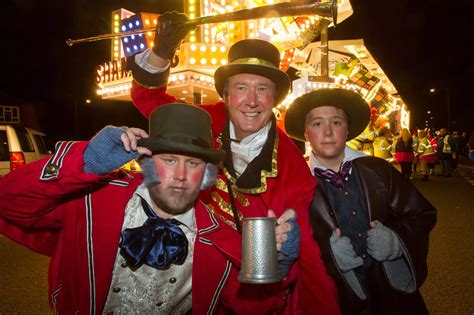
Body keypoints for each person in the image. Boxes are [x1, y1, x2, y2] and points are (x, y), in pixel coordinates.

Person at [126, 11, 339, 314]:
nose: (251, 101)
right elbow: (146, 99)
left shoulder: (293, 166)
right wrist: (162, 51)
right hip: (185, 281)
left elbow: (309, 256)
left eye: (262, 89)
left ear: (274, 98)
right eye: (241, 88)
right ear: (226, 94)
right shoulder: (203, 123)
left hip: (249, 294)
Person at [0, 103, 301, 314]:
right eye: (169, 160)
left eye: (193, 163)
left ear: (207, 174)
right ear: (148, 163)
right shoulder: (94, 200)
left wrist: (277, 266)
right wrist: (84, 162)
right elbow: (9, 201)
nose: (181, 175)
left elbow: (249, 308)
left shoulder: (221, 239)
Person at [284, 88, 437, 315]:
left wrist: (395, 240)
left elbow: (422, 214)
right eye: (317, 124)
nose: (327, 132)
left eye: (336, 122)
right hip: (340, 299)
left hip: (394, 296)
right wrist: (329, 256)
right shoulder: (296, 185)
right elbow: (293, 248)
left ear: (347, 130)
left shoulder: (379, 171)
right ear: (306, 133)